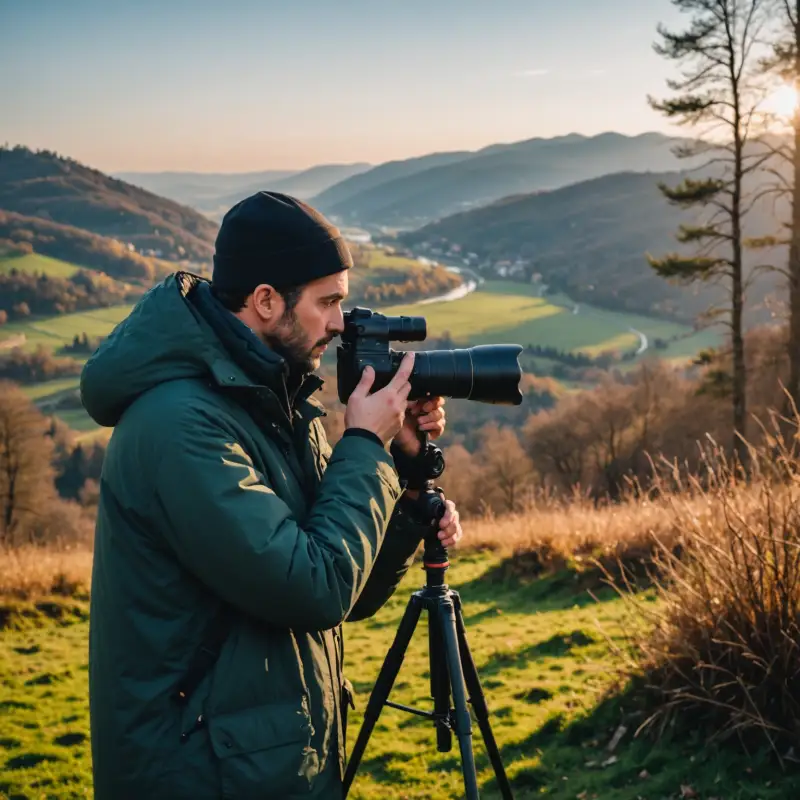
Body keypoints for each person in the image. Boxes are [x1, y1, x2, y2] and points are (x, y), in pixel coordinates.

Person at [80, 191, 464, 800]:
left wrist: (406, 476)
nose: (341, 322)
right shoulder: (180, 427)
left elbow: (347, 591)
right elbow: (313, 587)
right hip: (199, 774)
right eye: (328, 301)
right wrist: (364, 441)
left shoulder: (277, 403)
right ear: (265, 301)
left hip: (266, 762)